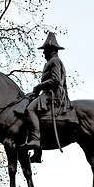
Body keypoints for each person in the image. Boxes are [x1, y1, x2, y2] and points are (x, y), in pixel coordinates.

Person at [25, 32, 72, 161]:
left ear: (50, 50)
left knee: (30, 109)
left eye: (45, 50)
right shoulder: (53, 61)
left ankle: (35, 139)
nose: (43, 53)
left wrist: (39, 86)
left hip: (52, 95)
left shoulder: (54, 61)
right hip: (50, 93)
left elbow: (56, 80)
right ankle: (37, 154)